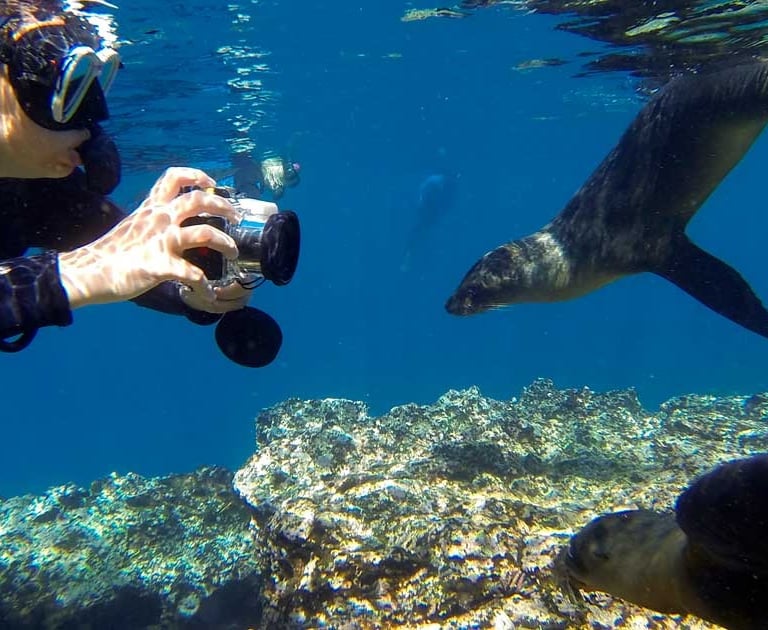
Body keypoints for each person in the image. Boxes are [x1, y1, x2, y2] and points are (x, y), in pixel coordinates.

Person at [0, 2, 255, 354]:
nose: (93, 118)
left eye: (97, 80)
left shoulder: (31, 188)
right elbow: (102, 261)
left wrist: (191, 291)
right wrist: (80, 274)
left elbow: (114, 247)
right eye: (65, 83)